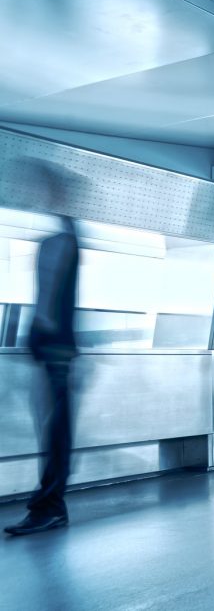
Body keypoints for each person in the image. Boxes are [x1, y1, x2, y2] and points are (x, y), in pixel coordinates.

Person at [5, 161, 79, 537]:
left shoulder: (61, 242)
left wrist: (39, 335)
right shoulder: (61, 240)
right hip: (55, 350)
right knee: (53, 428)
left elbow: (49, 302)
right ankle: (49, 505)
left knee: (54, 430)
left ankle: (49, 507)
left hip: (54, 351)